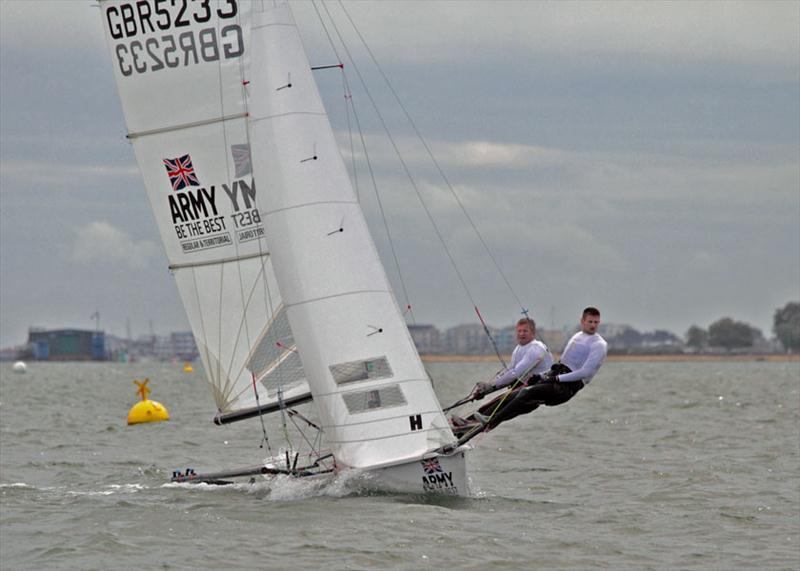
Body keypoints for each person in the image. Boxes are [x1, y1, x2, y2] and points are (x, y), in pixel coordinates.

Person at [451, 307, 607, 437]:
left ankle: (487, 422)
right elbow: (560, 364)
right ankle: (469, 425)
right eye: (590, 322)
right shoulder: (577, 336)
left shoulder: (599, 344)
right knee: (512, 395)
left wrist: (558, 379)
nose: (593, 325)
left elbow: (585, 372)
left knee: (526, 393)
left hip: (568, 386)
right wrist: (543, 377)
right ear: (582, 321)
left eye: (596, 322)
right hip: (556, 376)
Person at [449, 317, 552, 429]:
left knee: (501, 403)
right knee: (493, 403)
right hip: (523, 387)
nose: (521, 334)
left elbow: (515, 373)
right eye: (519, 331)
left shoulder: (536, 349)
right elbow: (509, 370)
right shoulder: (519, 348)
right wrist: (488, 387)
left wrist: (492, 385)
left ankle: (472, 425)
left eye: (525, 331)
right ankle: (465, 425)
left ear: (533, 333)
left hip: (537, 392)